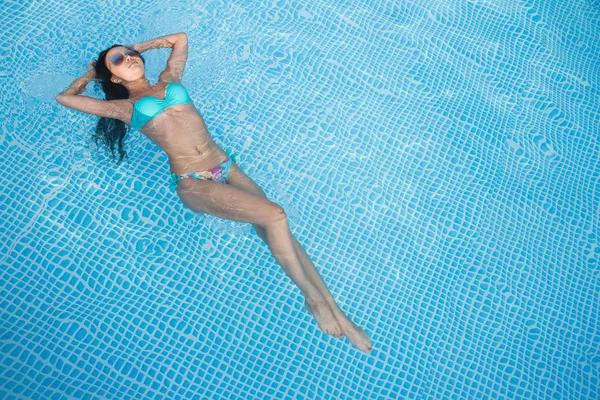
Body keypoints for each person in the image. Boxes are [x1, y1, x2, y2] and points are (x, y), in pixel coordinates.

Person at [55, 32, 373, 354]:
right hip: (194, 182)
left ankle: (340, 314)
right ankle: (312, 298)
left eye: (129, 53)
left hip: (225, 166)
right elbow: (65, 98)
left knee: (280, 232)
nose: (129, 58)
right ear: (112, 76)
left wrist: (141, 47)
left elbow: (180, 39)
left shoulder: (169, 79)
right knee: (275, 215)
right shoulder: (124, 108)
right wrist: (91, 73)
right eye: (118, 60)